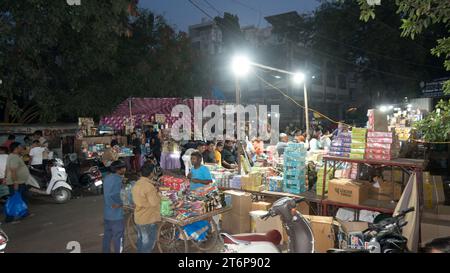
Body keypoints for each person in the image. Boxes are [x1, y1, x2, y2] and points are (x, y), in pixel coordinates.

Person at [132, 163, 161, 253]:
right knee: (148, 244)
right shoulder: (149, 187)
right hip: (148, 219)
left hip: (139, 217)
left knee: (141, 240)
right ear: (152, 173)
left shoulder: (137, 183)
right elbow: (154, 202)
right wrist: (159, 194)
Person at [102, 160, 126, 253]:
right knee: (118, 237)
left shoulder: (107, 177)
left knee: (107, 236)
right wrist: (122, 202)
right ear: (118, 169)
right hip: (115, 215)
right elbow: (115, 194)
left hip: (107, 213)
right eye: (123, 167)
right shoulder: (117, 179)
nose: (125, 169)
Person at [5, 142, 30, 222]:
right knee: (15, 199)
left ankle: (24, 213)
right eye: (20, 147)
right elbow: (13, 170)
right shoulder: (14, 157)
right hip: (16, 182)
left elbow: (7, 169)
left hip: (20, 182)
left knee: (23, 197)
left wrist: (5, 178)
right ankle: (11, 218)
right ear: (16, 148)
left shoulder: (13, 156)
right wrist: (15, 182)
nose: (22, 148)